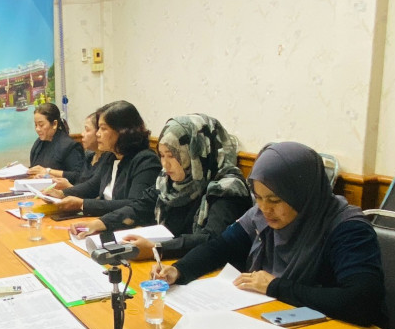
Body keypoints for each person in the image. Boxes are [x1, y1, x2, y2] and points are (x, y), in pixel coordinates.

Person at [156, 142, 386, 327]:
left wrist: (275, 286)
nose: (265, 209)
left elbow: (361, 302)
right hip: (278, 322)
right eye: (258, 198)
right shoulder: (260, 215)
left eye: (275, 200)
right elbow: (220, 247)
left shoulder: (348, 230)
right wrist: (179, 270)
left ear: (302, 195)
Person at [73, 114, 252, 259]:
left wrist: (157, 248)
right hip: (169, 263)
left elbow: (212, 240)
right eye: (162, 155)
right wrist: (101, 223)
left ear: (196, 153)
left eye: (172, 156)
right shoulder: (169, 180)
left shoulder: (227, 189)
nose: (165, 165)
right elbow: (141, 206)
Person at [44, 101, 161, 216]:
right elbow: (92, 186)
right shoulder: (110, 156)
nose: (98, 134)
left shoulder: (146, 161)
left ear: (122, 131)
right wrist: (61, 193)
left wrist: (83, 204)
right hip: (104, 220)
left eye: (103, 129)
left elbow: (135, 204)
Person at [47, 109, 106, 187]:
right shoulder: (89, 156)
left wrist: (68, 187)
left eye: (87, 130)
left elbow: (93, 191)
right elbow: (79, 181)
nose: (82, 134)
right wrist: (51, 178)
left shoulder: (107, 160)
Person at [28, 103, 85, 180]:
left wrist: (48, 171)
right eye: (36, 125)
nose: (37, 129)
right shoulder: (38, 143)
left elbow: (77, 176)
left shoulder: (70, 146)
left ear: (54, 124)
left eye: (41, 125)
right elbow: (34, 168)